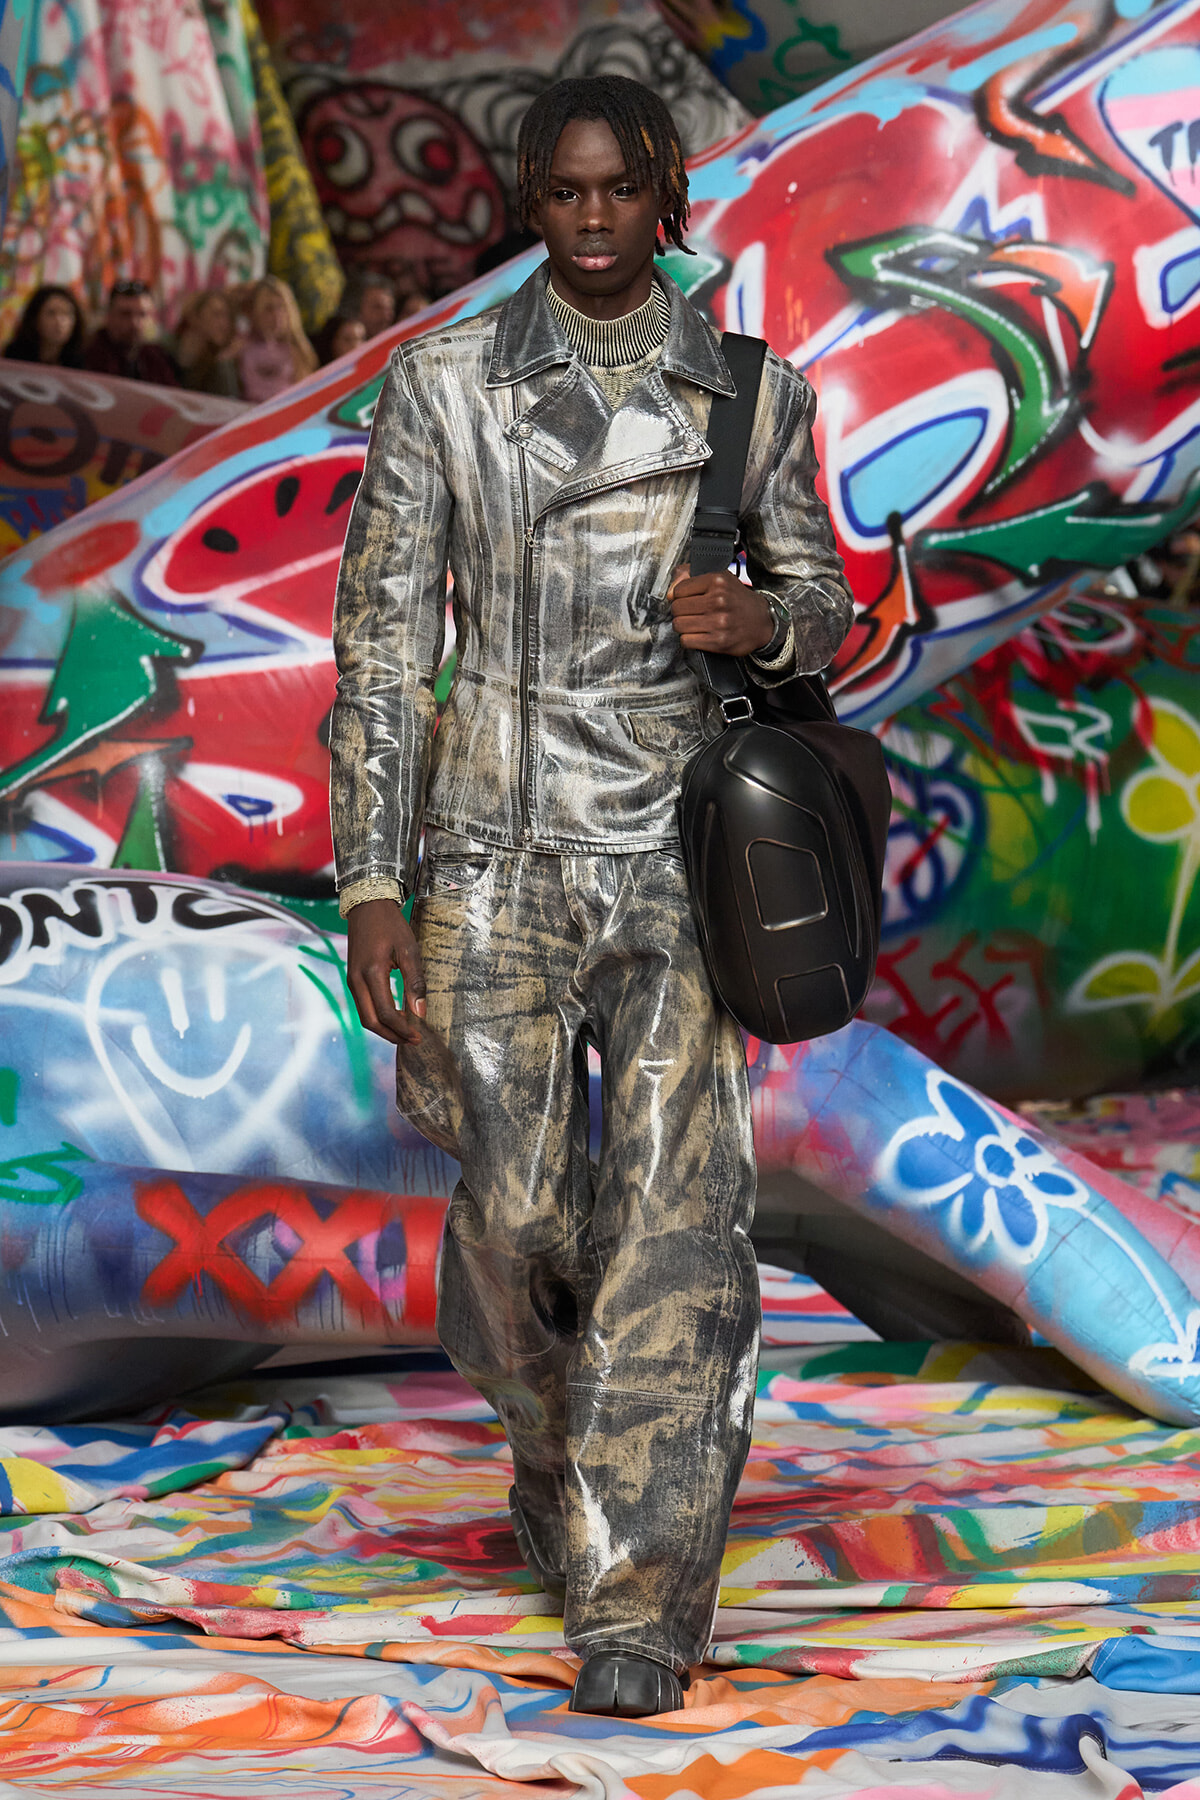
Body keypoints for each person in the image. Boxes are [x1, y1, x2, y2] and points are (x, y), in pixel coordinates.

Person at [331, 75, 852, 1717]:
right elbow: (381, 640)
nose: (595, 218)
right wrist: (367, 880)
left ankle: (640, 1603)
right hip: (488, 859)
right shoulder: (445, 388)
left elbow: (830, 596)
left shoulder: (752, 397)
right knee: (511, 1224)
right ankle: (552, 1450)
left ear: (668, 195)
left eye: (623, 190)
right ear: (532, 203)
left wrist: (757, 626)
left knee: (670, 1239)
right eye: (565, 192)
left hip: (679, 868)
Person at [236, 275, 318, 404]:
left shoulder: (298, 349)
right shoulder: (241, 346)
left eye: (281, 307)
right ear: (255, 311)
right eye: (268, 309)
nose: (276, 315)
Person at [83, 280, 180, 386]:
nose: (135, 323)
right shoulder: (86, 352)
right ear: (109, 315)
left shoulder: (158, 357)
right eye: (125, 314)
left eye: (142, 315)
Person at [169, 290, 240, 397]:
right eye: (217, 315)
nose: (224, 324)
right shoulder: (166, 352)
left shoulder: (220, 360)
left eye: (227, 317)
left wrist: (223, 362)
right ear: (195, 317)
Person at [2, 285, 87, 367]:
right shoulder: (15, 356)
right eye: (51, 313)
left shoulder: (78, 362)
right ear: (35, 319)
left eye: (67, 314)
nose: (60, 321)